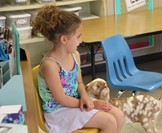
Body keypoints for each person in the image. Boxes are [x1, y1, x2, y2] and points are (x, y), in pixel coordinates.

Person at [32, 5, 125, 133]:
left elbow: (79, 83)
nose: (80, 41)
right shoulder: (50, 66)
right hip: (59, 112)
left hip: (77, 101)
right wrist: (91, 104)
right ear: (64, 39)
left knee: (119, 115)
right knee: (109, 122)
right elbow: (62, 99)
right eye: (78, 36)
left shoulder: (75, 55)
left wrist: (85, 97)